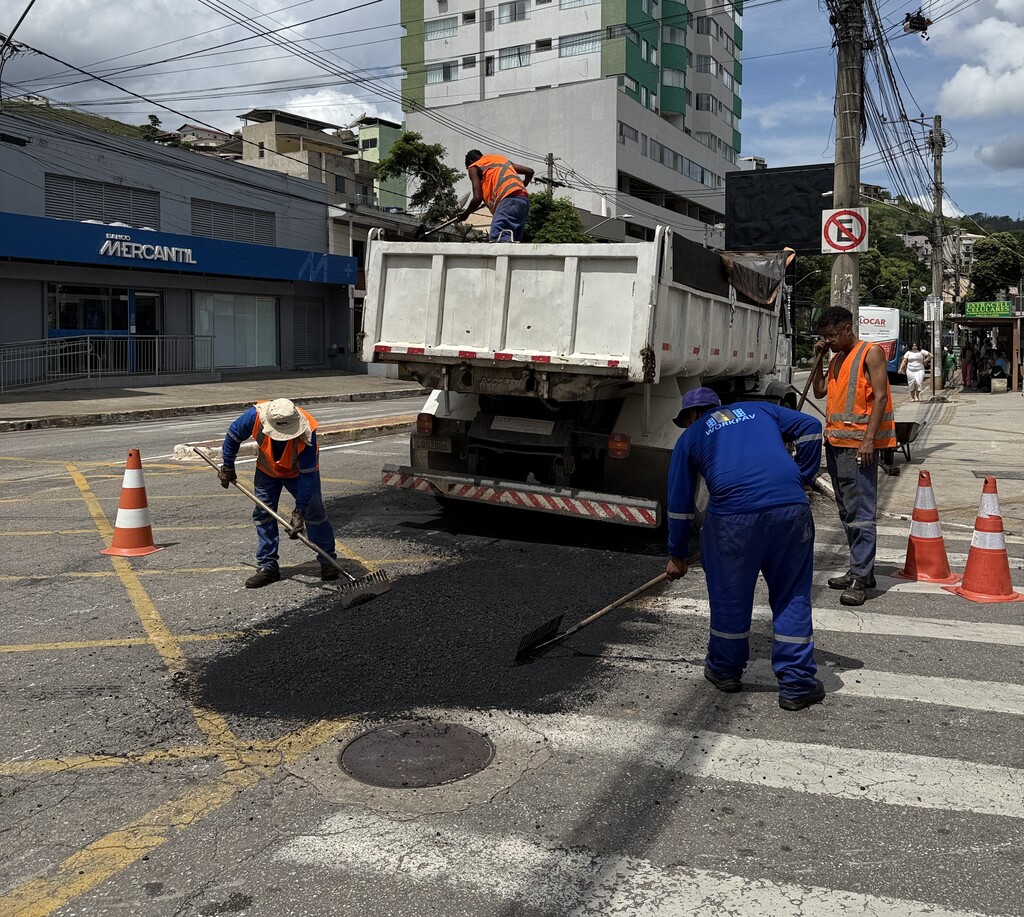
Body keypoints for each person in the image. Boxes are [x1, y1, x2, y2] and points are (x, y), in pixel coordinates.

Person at [665, 387, 825, 711]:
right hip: (790, 511)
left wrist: (677, 555)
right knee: (791, 593)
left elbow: (679, 506)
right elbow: (811, 428)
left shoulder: (691, 436)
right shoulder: (759, 409)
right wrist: (803, 477)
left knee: (730, 595)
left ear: (692, 415)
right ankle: (796, 683)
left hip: (733, 521)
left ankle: (725, 670)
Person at [811, 306, 897, 607]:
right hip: (836, 444)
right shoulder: (836, 358)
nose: (829, 341)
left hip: (858, 446)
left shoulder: (869, 352)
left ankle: (860, 578)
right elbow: (819, 391)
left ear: (848, 328)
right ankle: (861, 569)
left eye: (832, 335)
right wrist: (819, 355)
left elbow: (882, 396)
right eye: (825, 337)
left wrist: (869, 441)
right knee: (847, 511)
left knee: (861, 512)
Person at [218, 398, 339, 588]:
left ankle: (328, 561)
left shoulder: (307, 430)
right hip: (267, 470)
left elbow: (308, 477)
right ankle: (268, 567)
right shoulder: (255, 416)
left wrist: (299, 512)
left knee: (314, 514)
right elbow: (233, 436)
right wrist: (227, 465)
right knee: (263, 514)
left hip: (299, 474)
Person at [457, 150, 534, 242]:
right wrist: (522, 184)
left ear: (471, 161)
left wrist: (466, 214)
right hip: (523, 201)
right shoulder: (500, 159)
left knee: (499, 237)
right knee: (513, 238)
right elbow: (530, 171)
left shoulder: (473, 167)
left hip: (507, 200)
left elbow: (477, 198)